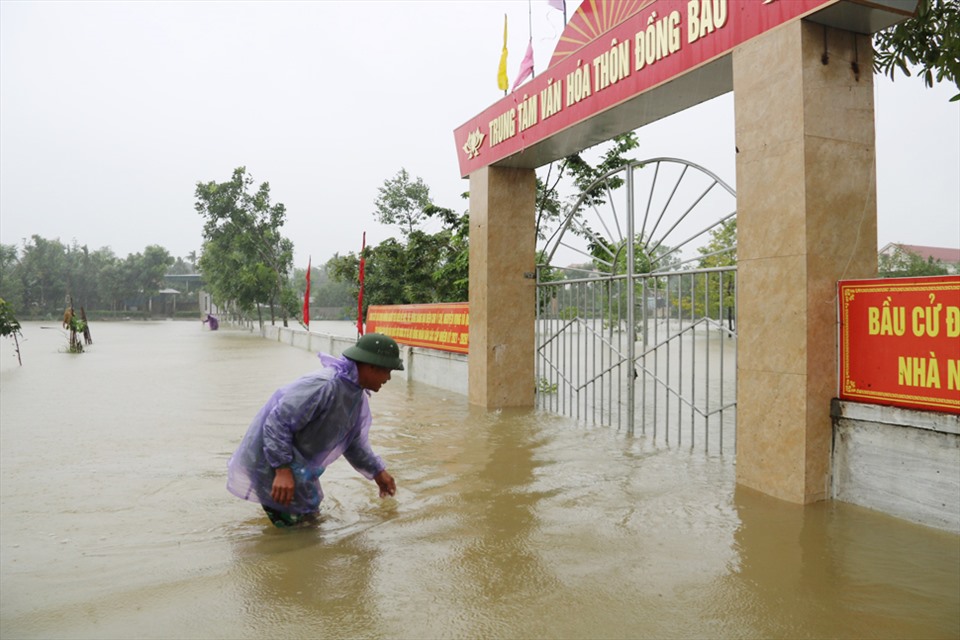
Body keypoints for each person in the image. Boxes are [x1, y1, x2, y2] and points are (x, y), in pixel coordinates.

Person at [226, 333, 402, 527]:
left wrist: (377, 472)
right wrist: (282, 469)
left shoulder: (354, 396)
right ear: (370, 366)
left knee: (310, 521)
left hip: (295, 468)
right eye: (387, 371)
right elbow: (278, 422)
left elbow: (352, 442)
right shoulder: (324, 386)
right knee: (299, 533)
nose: (388, 378)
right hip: (270, 463)